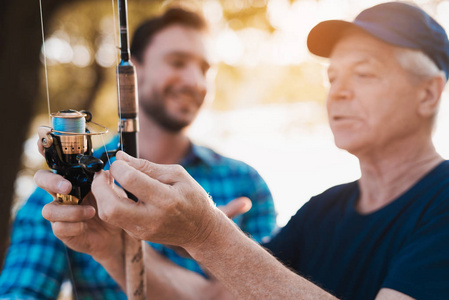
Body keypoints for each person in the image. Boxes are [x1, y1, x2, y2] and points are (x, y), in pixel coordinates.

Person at [39, 1, 449, 299]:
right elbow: (212, 299)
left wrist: (207, 233)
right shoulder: (322, 211)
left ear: (429, 93)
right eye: (332, 77)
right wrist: (112, 249)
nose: (339, 92)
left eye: (364, 74)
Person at [0, 8, 276, 300]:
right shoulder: (66, 187)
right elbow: (20, 291)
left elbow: (272, 289)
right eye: (177, 62)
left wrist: (210, 240)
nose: (194, 81)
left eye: (204, 69)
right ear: (133, 70)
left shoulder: (246, 183)